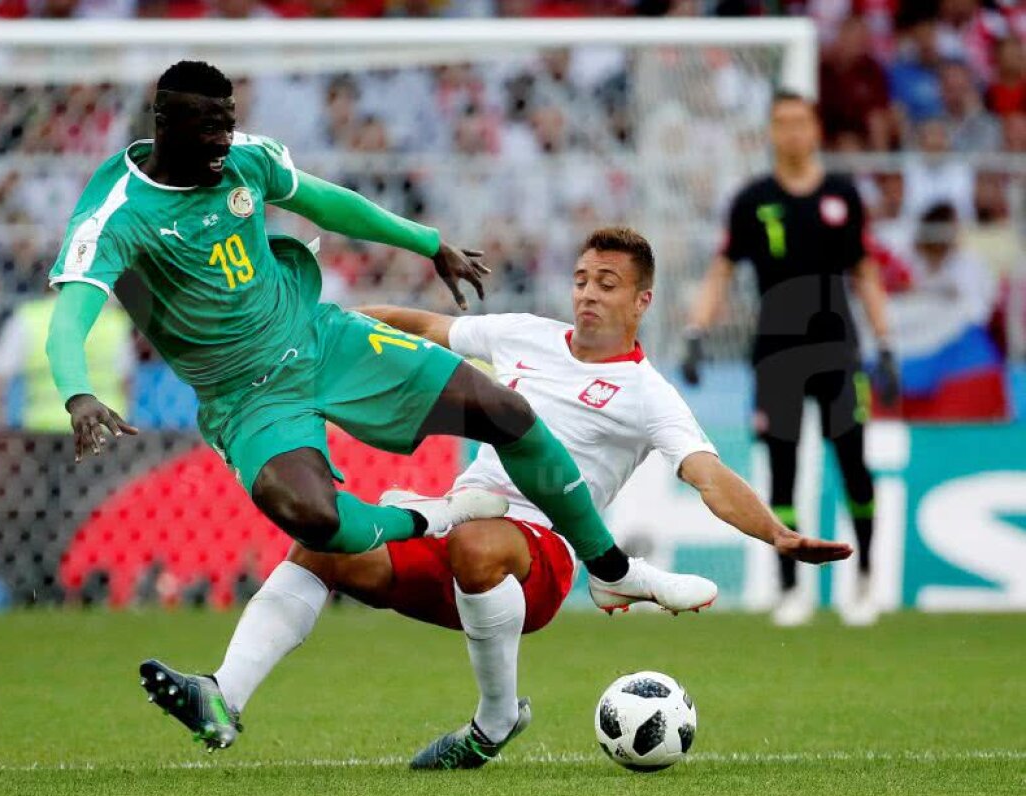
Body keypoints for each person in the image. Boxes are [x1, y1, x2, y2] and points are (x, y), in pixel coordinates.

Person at [45, 61, 717, 743]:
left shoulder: (245, 159)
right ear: (166, 124)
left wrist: (427, 243)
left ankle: (614, 570)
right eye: (209, 126)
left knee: (504, 410)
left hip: (320, 338)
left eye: (229, 119)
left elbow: (325, 201)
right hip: (247, 399)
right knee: (316, 523)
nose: (225, 137)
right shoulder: (117, 212)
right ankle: (241, 679)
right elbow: (70, 316)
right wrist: (78, 394)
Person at [141, 226, 853, 769]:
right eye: (580, 278)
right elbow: (421, 327)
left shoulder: (648, 394)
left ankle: (493, 718)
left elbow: (708, 475)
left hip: (537, 554)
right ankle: (223, 694)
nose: (587, 293)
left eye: (607, 282)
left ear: (642, 301)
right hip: (458, 531)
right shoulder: (525, 336)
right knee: (324, 547)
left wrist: (777, 535)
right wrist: (320, 325)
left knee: (478, 540)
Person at [681, 91, 897, 628]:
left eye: (801, 122)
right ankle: (790, 588)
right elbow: (722, 271)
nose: (792, 133)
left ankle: (866, 579)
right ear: (771, 133)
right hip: (776, 353)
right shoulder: (752, 198)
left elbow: (866, 273)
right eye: (782, 123)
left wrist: (886, 343)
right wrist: (695, 331)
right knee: (782, 471)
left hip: (839, 351)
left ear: (815, 129)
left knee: (854, 465)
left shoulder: (843, 195)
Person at [0, 287, 135, 431]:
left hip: (46, 428)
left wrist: (1, 424)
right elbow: (126, 379)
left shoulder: (29, 318)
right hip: (103, 424)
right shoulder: (111, 319)